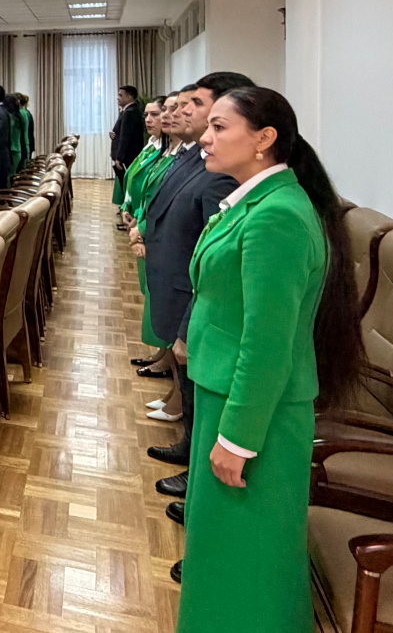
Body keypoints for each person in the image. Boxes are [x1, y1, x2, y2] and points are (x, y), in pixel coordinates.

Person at [177, 86, 361, 630]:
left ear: (264, 139)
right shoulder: (256, 203)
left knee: (250, 554)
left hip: (254, 410)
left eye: (219, 127)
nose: (205, 138)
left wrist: (238, 438)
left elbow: (267, 342)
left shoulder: (275, 216)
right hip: (226, 391)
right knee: (222, 546)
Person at [139, 72, 254, 519]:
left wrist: (188, 325)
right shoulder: (198, 159)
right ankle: (190, 450)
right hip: (181, 289)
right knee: (190, 395)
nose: (183, 113)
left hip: (200, 308)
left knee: (197, 394)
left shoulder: (230, 182)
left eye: (196, 106)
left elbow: (213, 266)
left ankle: (197, 473)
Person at [120, 96, 174, 372]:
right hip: (143, 224)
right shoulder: (157, 147)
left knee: (163, 299)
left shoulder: (174, 154)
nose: (151, 119)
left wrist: (141, 224)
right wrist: (130, 210)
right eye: (148, 115)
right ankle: (163, 352)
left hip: (157, 233)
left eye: (157, 113)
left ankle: (168, 357)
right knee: (153, 293)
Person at [110, 84, 144, 213]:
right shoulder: (127, 110)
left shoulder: (130, 112)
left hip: (127, 156)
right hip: (127, 155)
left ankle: (127, 211)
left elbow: (126, 137)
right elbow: (120, 132)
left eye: (121, 95)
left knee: (126, 184)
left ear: (129, 97)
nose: (118, 98)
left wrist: (119, 157)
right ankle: (126, 210)